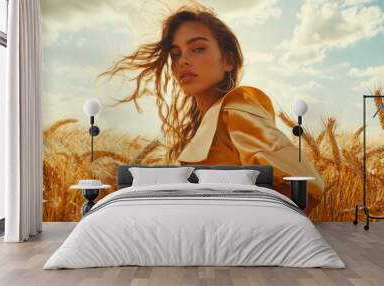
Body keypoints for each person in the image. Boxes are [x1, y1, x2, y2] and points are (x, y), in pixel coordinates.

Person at [100, 5, 324, 214]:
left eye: (197, 49)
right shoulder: (209, 120)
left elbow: (308, 185)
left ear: (228, 61)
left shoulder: (237, 108)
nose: (183, 61)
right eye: (176, 54)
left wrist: (249, 225)